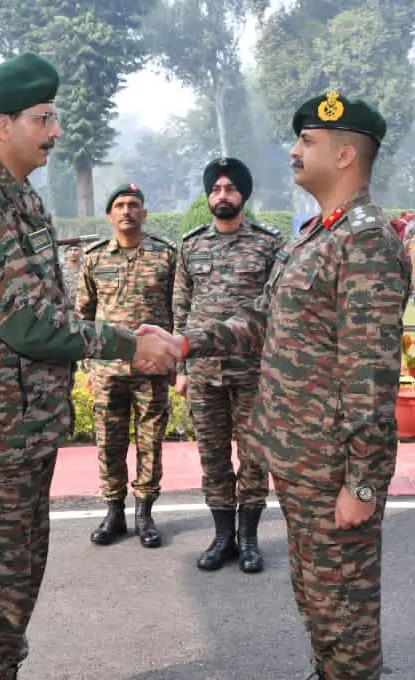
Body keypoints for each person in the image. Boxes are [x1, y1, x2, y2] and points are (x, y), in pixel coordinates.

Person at [0, 52, 180, 680]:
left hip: (22, 421)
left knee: (20, 567)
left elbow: (45, 310)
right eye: (44, 118)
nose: (56, 131)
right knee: (0, 575)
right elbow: (28, 324)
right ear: (1, 124)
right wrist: (125, 344)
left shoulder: (14, 195)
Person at [139, 91, 411, 680]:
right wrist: (186, 344)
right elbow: (261, 319)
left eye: (307, 142)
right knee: (316, 596)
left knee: (346, 612)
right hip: (299, 459)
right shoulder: (318, 236)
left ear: (344, 156)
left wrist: (363, 482)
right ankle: (329, 673)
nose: (293, 151)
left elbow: (369, 378)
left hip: (333, 468)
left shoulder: (365, 244)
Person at [173, 157, 284, 573]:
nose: (223, 195)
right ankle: (222, 538)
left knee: (254, 456)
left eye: (230, 189)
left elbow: (276, 308)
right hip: (203, 371)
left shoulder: (268, 244)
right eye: (216, 189)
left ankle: (249, 539)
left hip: (253, 370)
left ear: (243, 194)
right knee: (212, 456)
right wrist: (180, 368)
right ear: (208, 196)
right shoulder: (192, 244)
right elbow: (180, 307)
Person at [77, 183, 177, 549]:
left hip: (150, 369)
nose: (126, 211)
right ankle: (114, 512)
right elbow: (83, 316)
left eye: (134, 204)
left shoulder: (166, 256)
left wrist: (174, 361)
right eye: (119, 205)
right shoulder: (94, 258)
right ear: (110, 215)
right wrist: (88, 366)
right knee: (109, 441)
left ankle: (145, 514)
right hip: (107, 370)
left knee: (150, 442)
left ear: (144, 213)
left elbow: (177, 310)